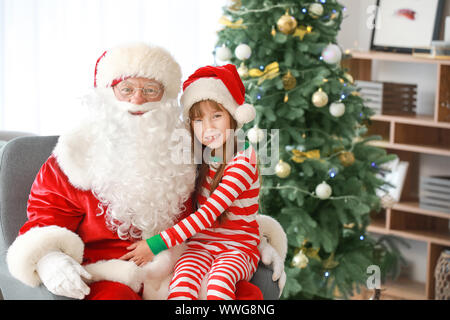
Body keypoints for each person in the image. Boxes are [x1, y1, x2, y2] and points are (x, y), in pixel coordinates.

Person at [6, 42, 287, 300]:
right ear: (106, 95)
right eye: (126, 89)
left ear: (167, 98)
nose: (138, 100)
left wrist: (255, 242)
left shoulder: (191, 149)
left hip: (181, 264)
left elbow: (216, 206)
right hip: (112, 274)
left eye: (150, 90)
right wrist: (48, 258)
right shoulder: (75, 156)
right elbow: (46, 218)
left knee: (247, 295)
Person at [121, 64, 262, 300]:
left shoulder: (243, 161)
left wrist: (154, 245)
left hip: (238, 247)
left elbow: (207, 214)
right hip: (200, 244)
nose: (208, 128)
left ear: (234, 116)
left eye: (217, 116)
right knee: (181, 285)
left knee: (218, 284)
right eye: (199, 120)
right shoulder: (201, 153)